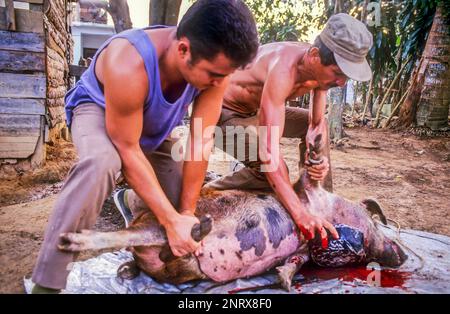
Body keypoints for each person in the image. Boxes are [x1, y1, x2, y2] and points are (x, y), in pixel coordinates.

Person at [31, 0, 259, 293]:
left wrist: (185, 214)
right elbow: (127, 149)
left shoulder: (215, 70)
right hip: (101, 112)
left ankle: (132, 201)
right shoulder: (128, 61)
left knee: (182, 203)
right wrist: (168, 219)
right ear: (183, 49)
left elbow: (201, 139)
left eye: (225, 75)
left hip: (152, 127)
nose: (220, 83)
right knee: (101, 164)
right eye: (215, 75)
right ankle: (47, 283)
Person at [202, 13, 373, 242]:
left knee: (300, 135)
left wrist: (317, 160)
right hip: (222, 117)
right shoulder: (283, 69)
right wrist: (299, 214)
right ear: (314, 56)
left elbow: (315, 123)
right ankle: (209, 190)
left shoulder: (319, 69)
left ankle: (319, 201)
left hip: (256, 112)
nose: (341, 82)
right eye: (338, 73)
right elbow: (269, 153)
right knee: (269, 171)